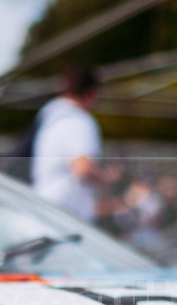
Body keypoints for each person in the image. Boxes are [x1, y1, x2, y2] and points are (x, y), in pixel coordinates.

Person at [31, 64, 117, 222]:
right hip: (67, 215)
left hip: (45, 207)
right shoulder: (80, 120)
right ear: (91, 94)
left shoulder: (49, 117)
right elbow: (82, 168)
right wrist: (105, 178)